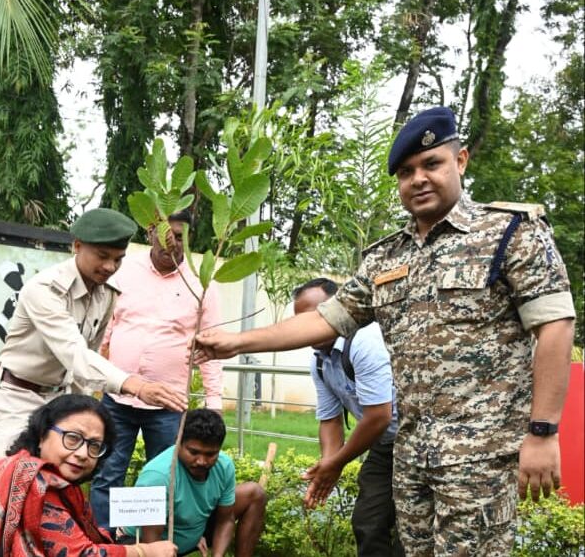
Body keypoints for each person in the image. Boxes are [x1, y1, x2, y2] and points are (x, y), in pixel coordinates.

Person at [192, 107, 576, 556]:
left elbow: (555, 326)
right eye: (406, 172)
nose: (418, 179)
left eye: (432, 164)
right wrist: (235, 344)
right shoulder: (385, 258)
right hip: (410, 455)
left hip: (480, 456)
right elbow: (325, 319)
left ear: (461, 160)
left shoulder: (510, 234)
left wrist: (543, 432)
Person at [0, 208, 187, 460]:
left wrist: (84, 412)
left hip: (61, 399)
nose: (110, 267)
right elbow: (75, 354)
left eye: (118, 259)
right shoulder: (45, 290)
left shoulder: (107, 293)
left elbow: (86, 363)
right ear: (77, 246)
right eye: (102, 256)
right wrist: (135, 385)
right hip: (18, 396)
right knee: (19, 477)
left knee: (62, 480)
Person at [0, 394, 178, 556]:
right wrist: (144, 551)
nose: (83, 453)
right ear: (42, 434)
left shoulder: (54, 483)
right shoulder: (29, 479)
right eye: (72, 438)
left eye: (94, 445)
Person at [91, 210, 223, 530]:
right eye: (166, 233)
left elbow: (213, 347)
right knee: (106, 473)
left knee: (163, 479)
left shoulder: (201, 283)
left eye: (180, 236)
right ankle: (106, 545)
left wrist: (214, 403)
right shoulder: (125, 273)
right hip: (118, 397)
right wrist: (96, 381)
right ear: (150, 231)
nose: (172, 243)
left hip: (168, 404)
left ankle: (154, 546)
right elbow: (106, 331)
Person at [293, 277, 403, 556]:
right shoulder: (319, 361)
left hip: (417, 440)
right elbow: (330, 419)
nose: (307, 327)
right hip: (384, 444)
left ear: (338, 308)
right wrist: (328, 464)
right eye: (299, 320)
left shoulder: (365, 339)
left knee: (411, 531)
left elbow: (379, 416)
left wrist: (338, 462)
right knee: (368, 521)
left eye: (315, 316)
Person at [118, 409, 266, 557]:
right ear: (179, 442)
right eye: (194, 452)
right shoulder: (158, 476)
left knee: (254, 494)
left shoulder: (224, 466)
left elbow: (226, 520)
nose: (201, 461)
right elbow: (152, 544)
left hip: (194, 526)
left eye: (210, 454)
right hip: (146, 542)